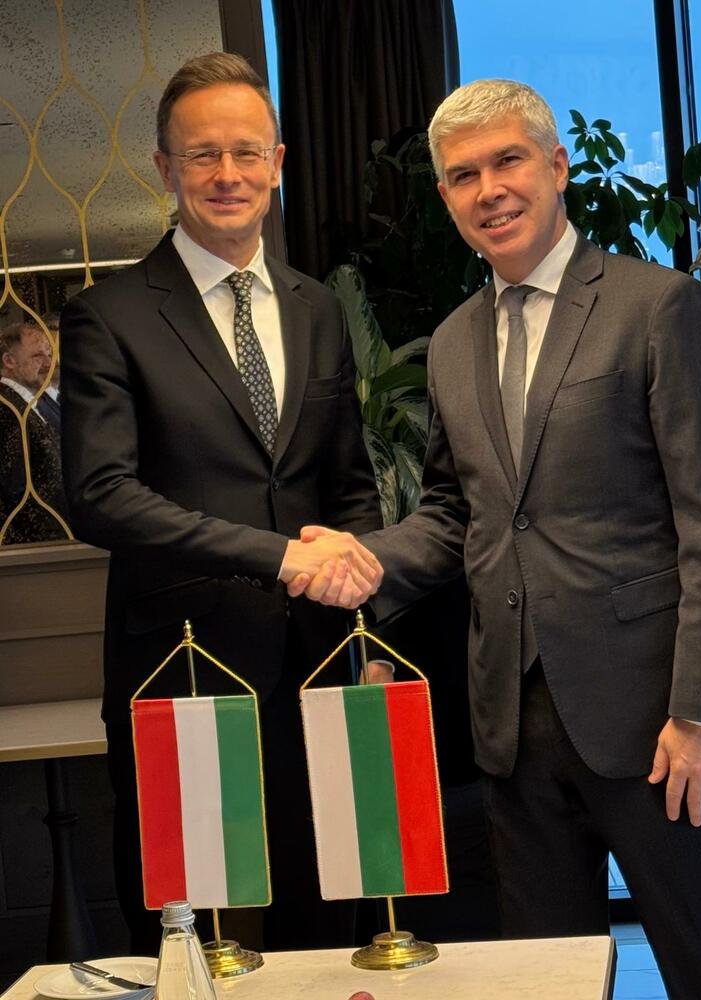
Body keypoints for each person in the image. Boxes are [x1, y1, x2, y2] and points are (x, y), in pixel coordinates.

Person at [292, 80, 701, 998]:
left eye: (507, 161)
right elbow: (457, 513)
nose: (489, 190)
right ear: (447, 196)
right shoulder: (452, 343)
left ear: (556, 167)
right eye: (462, 175)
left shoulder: (658, 307)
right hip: (513, 727)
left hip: (658, 723)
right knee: (544, 981)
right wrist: (364, 559)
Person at [59, 52, 383, 953]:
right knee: (189, 932)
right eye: (203, 154)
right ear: (166, 169)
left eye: (246, 152)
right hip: (183, 670)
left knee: (331, 922)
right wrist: (281, 557)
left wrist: (365, 619)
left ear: (277, 163)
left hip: (320, 666)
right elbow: (101, 497)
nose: (227, 174)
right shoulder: (111, 315)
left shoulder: (317, 309)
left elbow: (348, 484)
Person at [0, 322, 66, 541]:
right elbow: (15, 490)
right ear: (9, 361)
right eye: (38, 356)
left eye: (49, 354)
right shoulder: (7, 411)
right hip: (39, 543)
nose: (49, 363)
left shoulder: (30, 403)